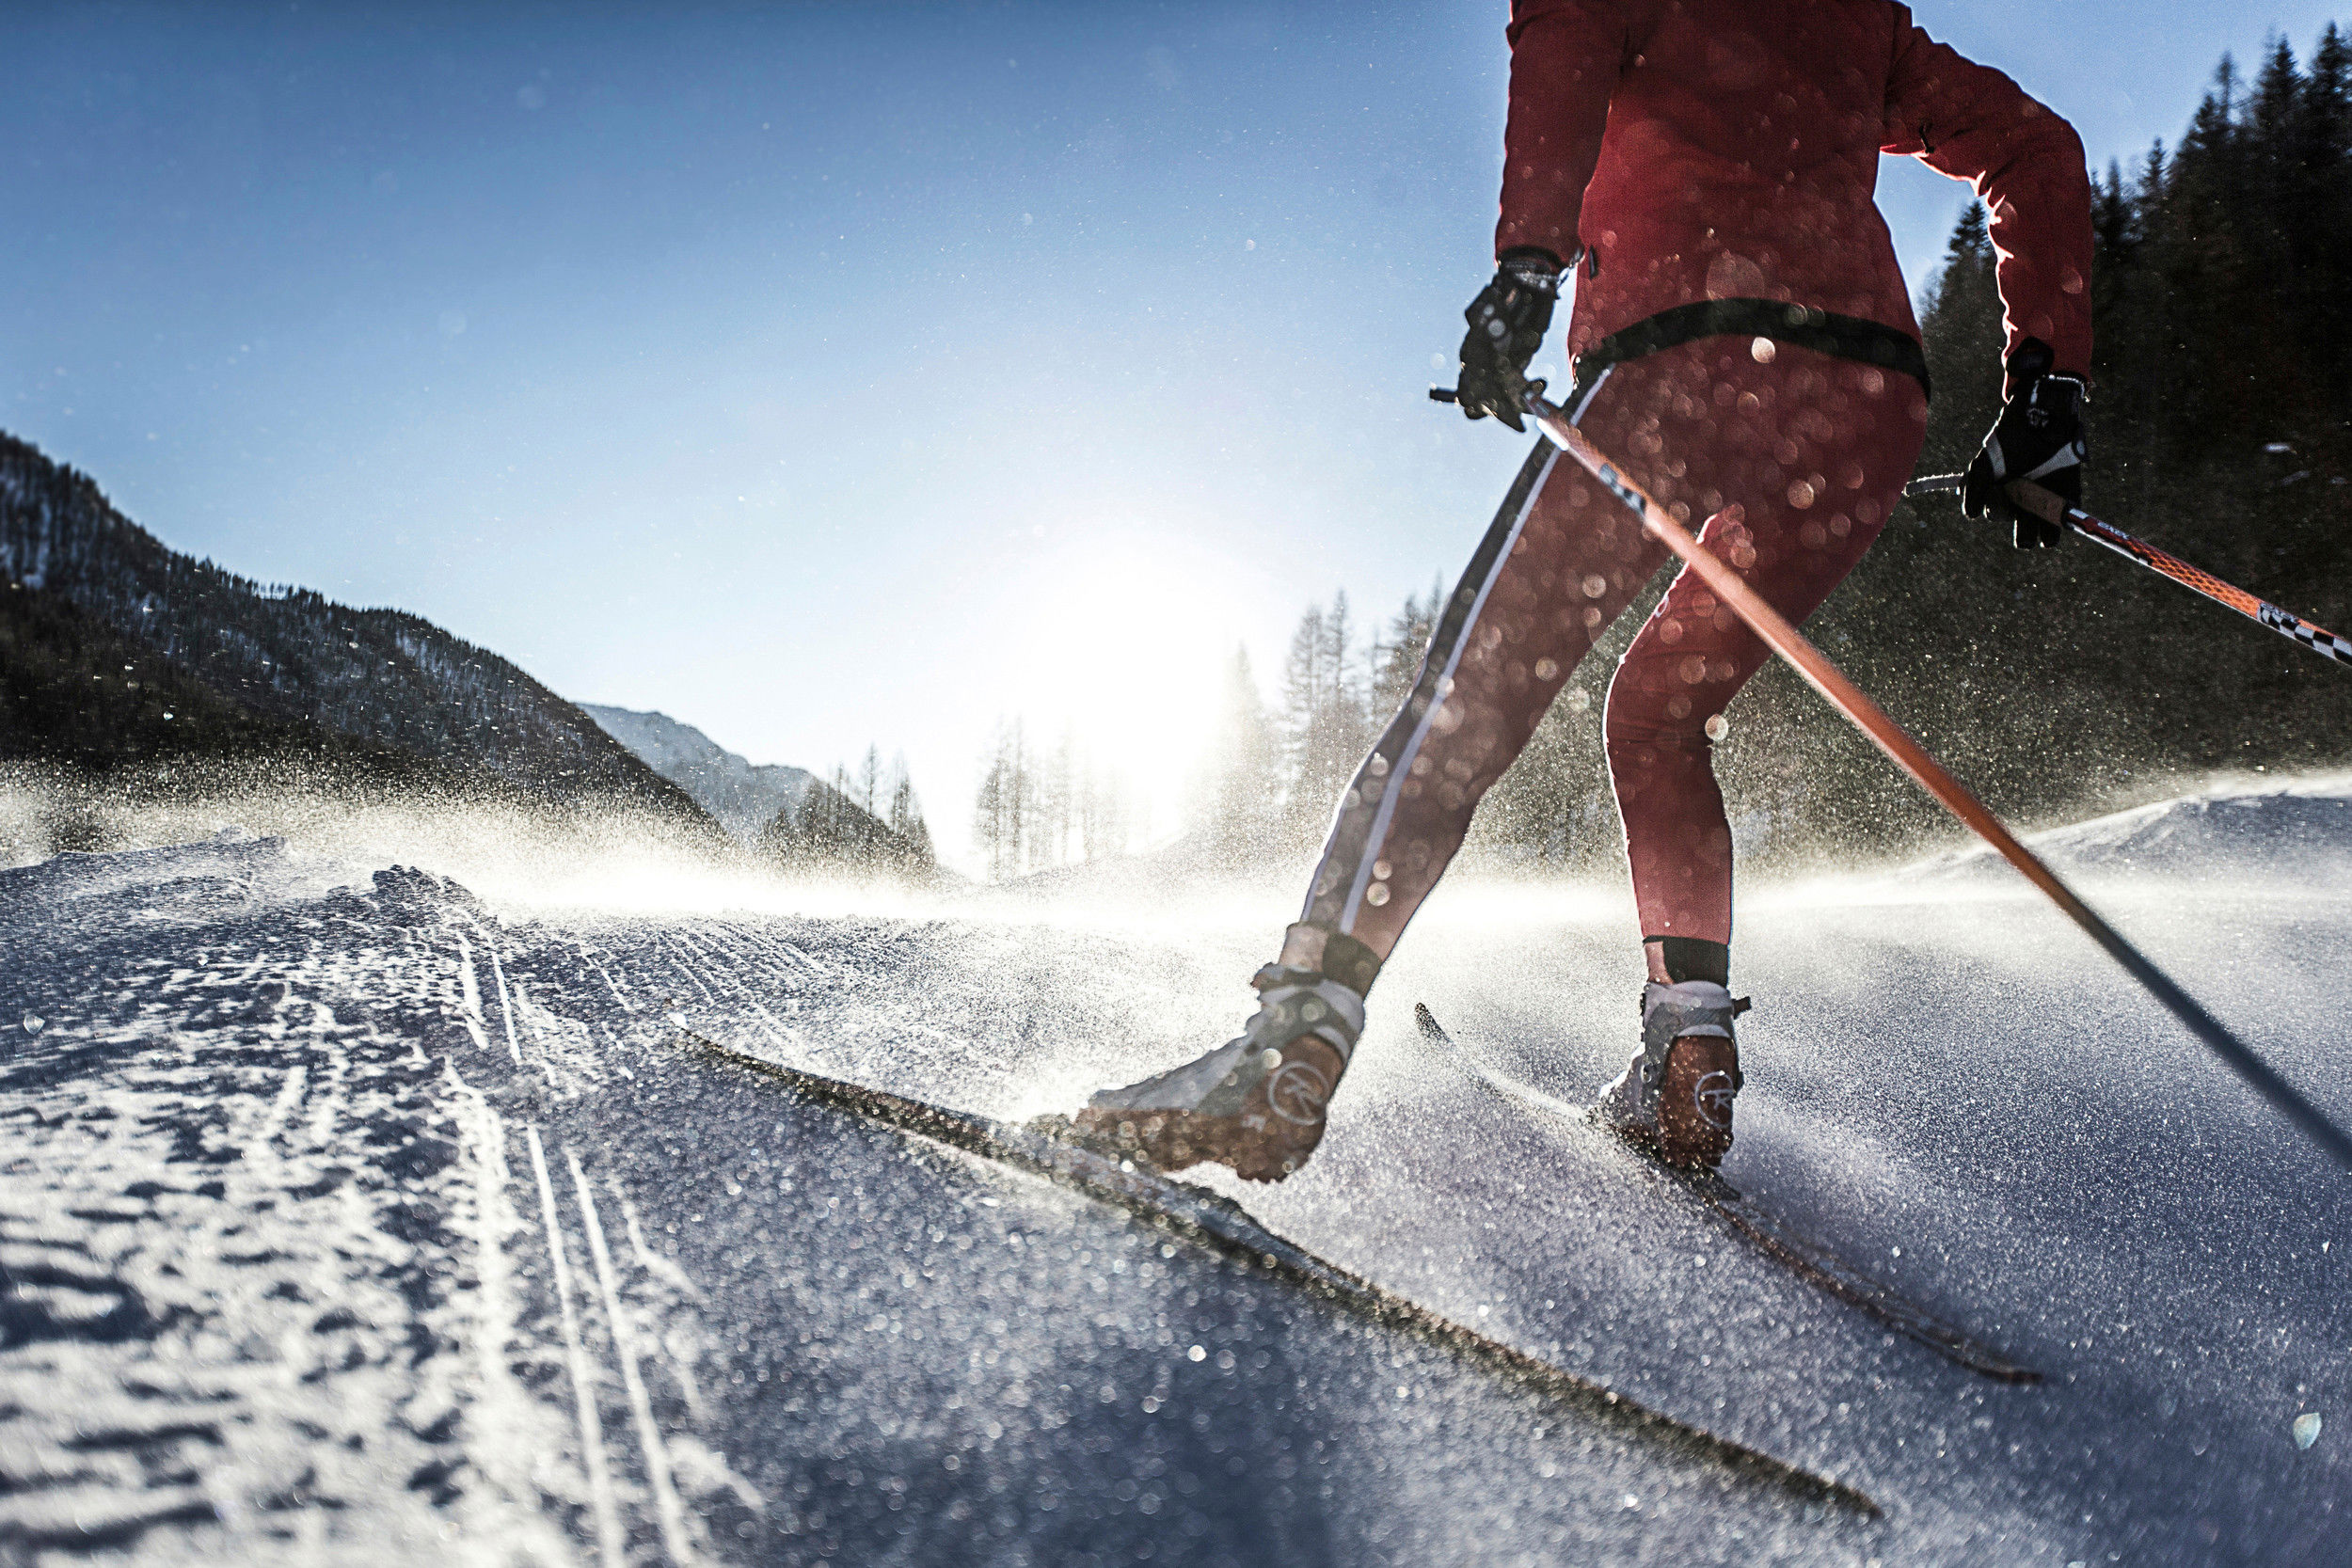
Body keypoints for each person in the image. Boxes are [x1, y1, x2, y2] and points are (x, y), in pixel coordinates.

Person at [1075, 1, 2091, 1179]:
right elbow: (2036, 147)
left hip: (1685, 350)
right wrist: (2046, 395)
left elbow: (1560, 47)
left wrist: (1524, 269)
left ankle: (1289, 1043)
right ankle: (1687, 1054)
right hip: (1862, 406)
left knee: (1470, 698)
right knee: (1656, 715)